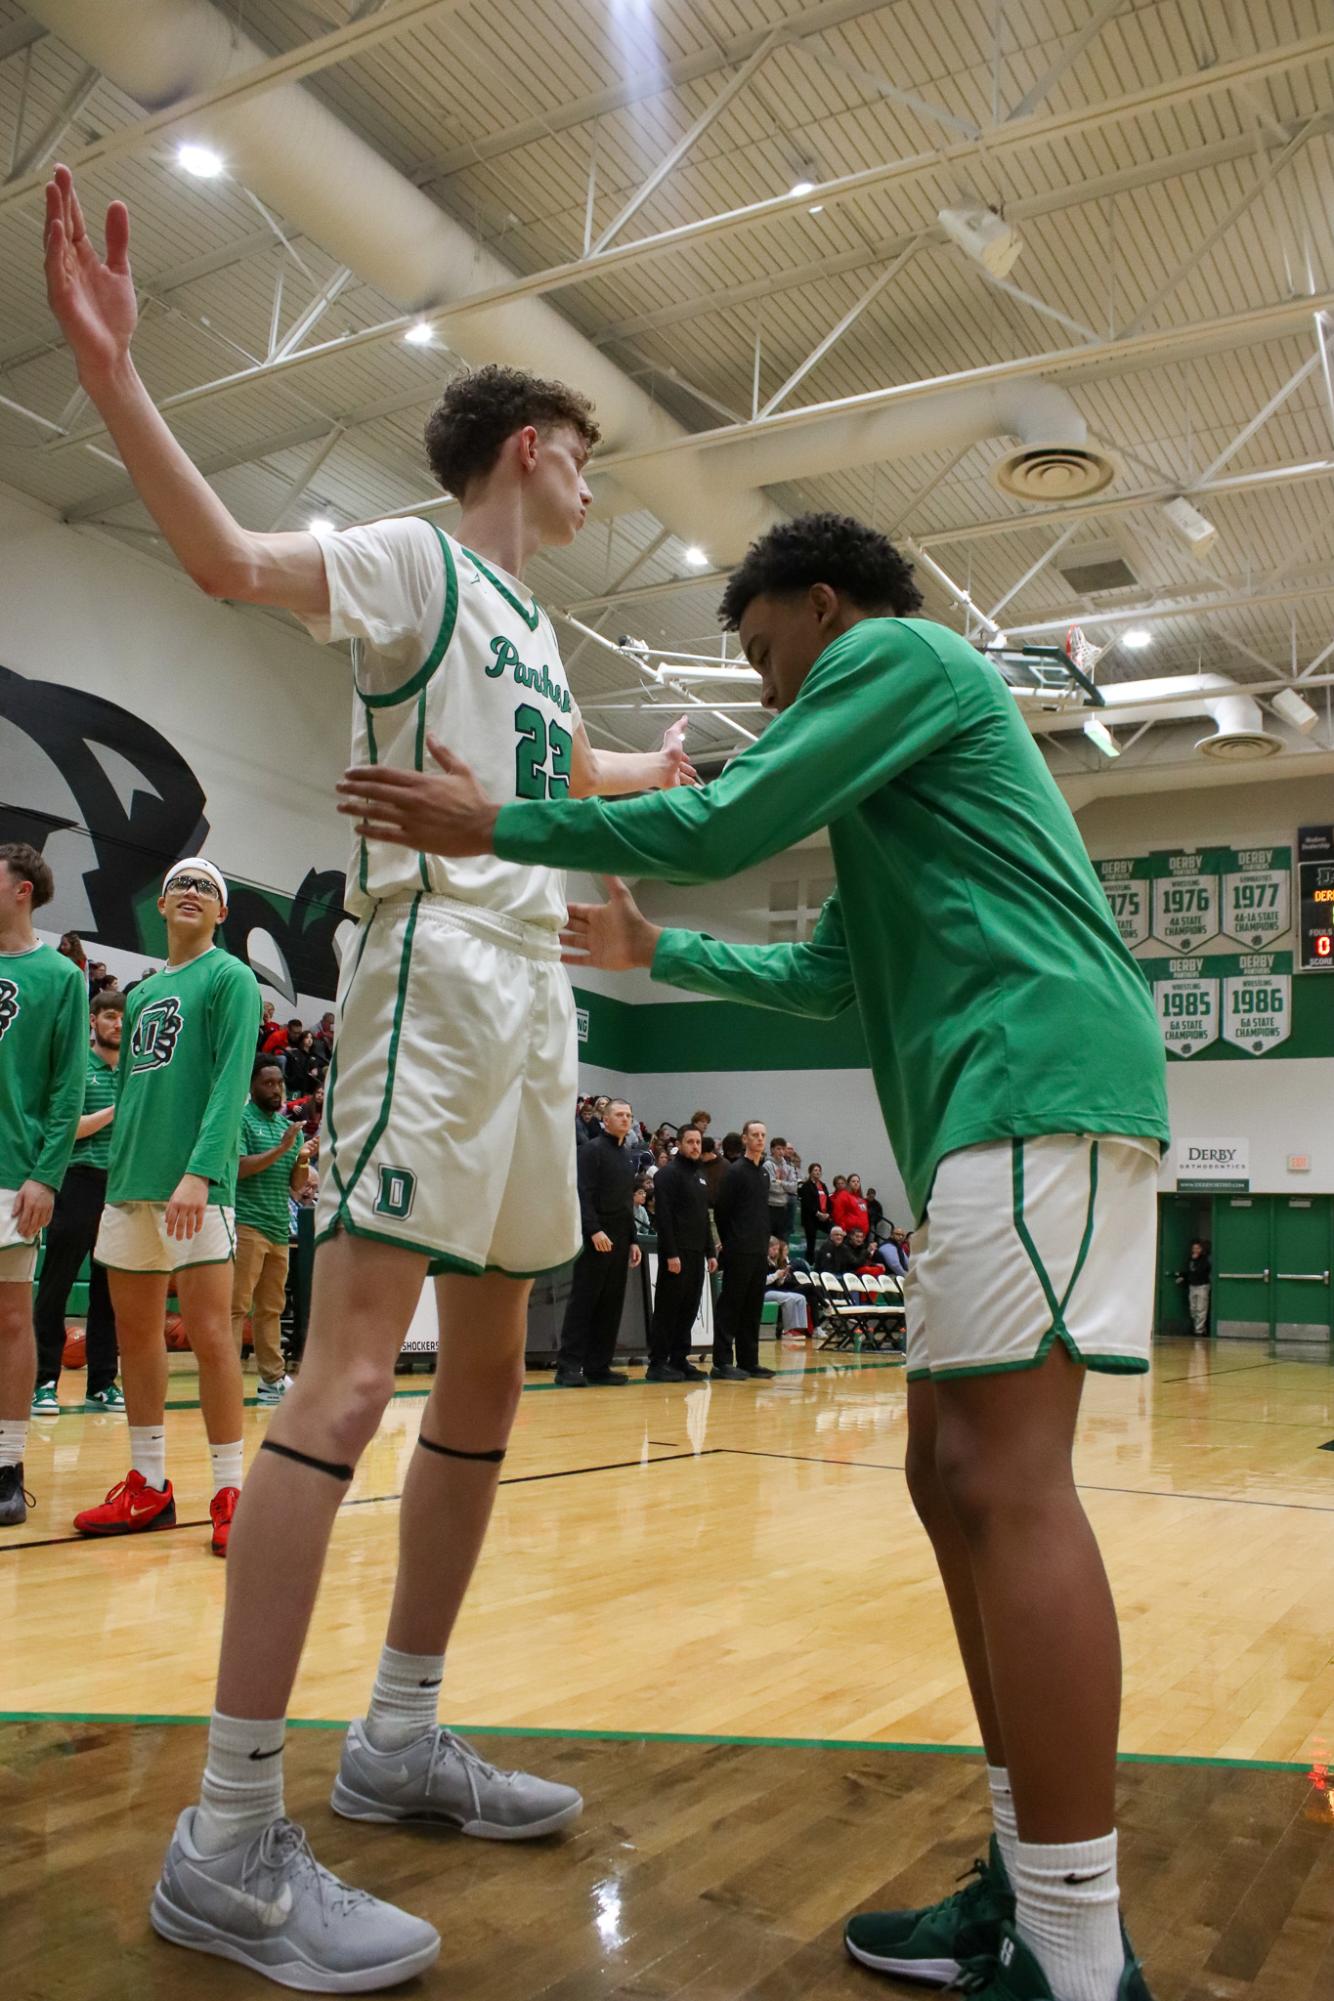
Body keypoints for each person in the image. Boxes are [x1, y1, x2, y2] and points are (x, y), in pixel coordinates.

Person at [43, 158, 702, 1986]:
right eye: (579, 449)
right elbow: (224, 565)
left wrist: (645, 780)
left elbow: (562, 793)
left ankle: (400, 1730)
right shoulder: (413, 559)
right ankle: (229, 1830)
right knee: (346, 1376)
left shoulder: (539, 639)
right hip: (429, 973)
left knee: (489, 1363)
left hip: (533, 999)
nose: (591, 477)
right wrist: (112, 374)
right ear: (519, 447)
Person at [369, 508, 1173, 2001]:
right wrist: (651, 954)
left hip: (1038, 1082)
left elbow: (724, 820)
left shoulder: (901, 656)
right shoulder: (891, 777)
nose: (761, 693)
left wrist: (504, 825)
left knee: (1006, 1483)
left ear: (821, 606)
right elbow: (821, 974)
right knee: (947, 1477)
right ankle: (1024, 1879)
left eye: (759, 654)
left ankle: (1073, 1951)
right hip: (987, 1110)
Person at [71, 859, 258, 1557]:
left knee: (211, 1335)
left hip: (194, 1187)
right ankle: (148, 1483)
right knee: (136, 1335)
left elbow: (232, 1079)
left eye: (206, 887)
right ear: (160, 903)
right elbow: (132, 1100)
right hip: (130, 1185)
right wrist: (120, 1176)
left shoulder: (229, 977)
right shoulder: (143, 993)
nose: (191, 892)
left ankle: (230, 1489)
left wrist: (203, 1171)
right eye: (181, 884)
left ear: (221, 912)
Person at [0, 844, 89, 1527]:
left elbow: (66, 1088)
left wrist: (45, 1174)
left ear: (22, 889)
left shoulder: (61, 977)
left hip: (12, 1170)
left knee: (8, 1319)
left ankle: (7, 1463)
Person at [32, 987, 128, 1415]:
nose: (117, 1024)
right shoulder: (77, 1068)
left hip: (120, 1187)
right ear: (93, 1020)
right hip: (76, 1182)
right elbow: (68, 1129)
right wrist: (116, 1110)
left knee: (109, 1294)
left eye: (123, 1018)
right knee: (56, 1286)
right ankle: (43, 1381)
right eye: (109, 1016)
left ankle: (103, 1383)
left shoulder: (133, 1072)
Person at [231, 1061, 311, 1404]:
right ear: (252, 1086)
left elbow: (295, 1187)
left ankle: (272, 1379)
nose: (276, 1089)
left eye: (279, 1082)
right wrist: (281, 1149)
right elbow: (239, 1169)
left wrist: (303, 1158)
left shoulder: (288, 1128)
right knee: (236, 1306)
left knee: (271, 1308)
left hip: (279, 1227)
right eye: (268, 1082)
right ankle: (227, 1377)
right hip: (247, 1224)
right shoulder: (241, 1120)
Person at [555, 1098, 642, 1387]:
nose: (625, 1119)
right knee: (584, 1302)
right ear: (605, 1119)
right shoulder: (590, 1151)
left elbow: (626, 1203)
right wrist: (593, 1230)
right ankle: (568, 1366)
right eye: (619, 1114)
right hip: (596, 1238)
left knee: (611, 1304)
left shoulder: (627, 1154)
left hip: (619, 1238)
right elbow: (582, 1193)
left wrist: (632, 1240)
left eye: (629, 1115)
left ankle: (598, 1366)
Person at [646, 1122, 713, 1382]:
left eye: (698, 1142)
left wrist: (710, 1252)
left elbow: (703, 1218)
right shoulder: (668, 1174)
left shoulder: (700, 1176)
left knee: (689, 1307)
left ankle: (679, 1359)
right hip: (676, 1253)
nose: (695, 1146)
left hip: (696, 1252)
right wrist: (671, 1253)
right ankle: (657, 1363)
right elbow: (663, 1217)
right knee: (668, 1308)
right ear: (679, 1144)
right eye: (690, 1142)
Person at [710, 1120, 776, 1382]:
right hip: (739, 1250)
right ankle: (722, 1362)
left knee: (752, 1307)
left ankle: (749, 1360)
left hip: (759, 1250)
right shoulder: (735, 1171)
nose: (760, 1139)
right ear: (744, 1139)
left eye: (763, 1135)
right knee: (731, 1306)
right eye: (755, 1135)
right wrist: (731, 1242)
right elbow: (723, 1211)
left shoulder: (763, 1174)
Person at [765, 1235, 812, 1335]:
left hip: (774, 1290)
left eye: (778, 1249)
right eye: (774, 1249)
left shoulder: (775, 1262)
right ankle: (787, 1329)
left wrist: (782, 1277)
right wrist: (776, 1275)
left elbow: (778, 1283)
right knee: (788, 1298)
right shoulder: (762, 1262)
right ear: (767, 1248)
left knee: (801, 1298)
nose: (777, 1252)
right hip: (764, 1291)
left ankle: (800, 1328)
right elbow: (762, 1281)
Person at [764, 1134, 799, 1244]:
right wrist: (785, 1186)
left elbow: (794, 1187)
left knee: (783, 1241)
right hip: (770, 1206)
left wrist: (781, 1183)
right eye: (778, 1148)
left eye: (783, 1149)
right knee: (769, 1241)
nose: (781, 1151)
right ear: (772, 1150)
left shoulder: (788, 1166)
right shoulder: (767, 1165)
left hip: (783, 1207)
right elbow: (771, 1185)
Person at [799, 1160, 831, 1261]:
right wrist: (818, 1213)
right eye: (815, 1170)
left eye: (819, 1170)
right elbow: (807, 1203)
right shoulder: (807, 1186)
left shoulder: (823, 1185)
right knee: (811, 1241)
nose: (817, 1172)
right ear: (810, 1172)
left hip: (823, 1216)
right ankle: (810, 1261)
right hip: (810, 1218)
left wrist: (827, 1214)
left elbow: (828, 1200)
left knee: (834, 1230)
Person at [1179, 1240, 1211, 1335]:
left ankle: (1199, 1330)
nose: (1195, 1250)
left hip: (1202, 1286)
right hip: (1192, 1286)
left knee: (1201, 1308)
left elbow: (1202, 1270)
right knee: (1193, 1309)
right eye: (1194, 1248)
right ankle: (1199, 1327)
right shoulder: (1190, 1260)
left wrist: (1196, 1260)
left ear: (1201, 1249)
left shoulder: (1205, 1259)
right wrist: (1183, 1277)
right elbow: (1189, 1272)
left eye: (1197, 1248)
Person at [832, 1171, 869, 1236]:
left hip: (862, 1235)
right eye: (853, 1181)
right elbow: (838, 1215)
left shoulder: (861, 1198)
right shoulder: (843, 1195)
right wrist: (843, 1229)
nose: (856, 1183)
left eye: (858, 1181)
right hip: (850, 1233)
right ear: (848, 1184)